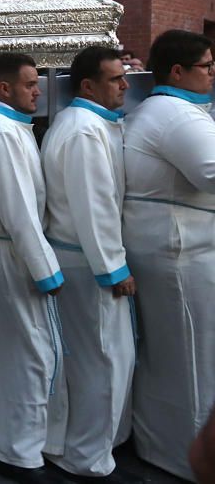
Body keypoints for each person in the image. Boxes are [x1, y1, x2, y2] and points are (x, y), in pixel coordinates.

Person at [0, 53, 65, 483]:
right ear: (4, 89)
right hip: (9, 254)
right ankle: (21, 452)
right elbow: (19, 212)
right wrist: (46, 272)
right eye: (29, 84)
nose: (38, 91)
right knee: (30, 355)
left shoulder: (1, 128)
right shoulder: (3, 135)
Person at [41, 47, 138, 483]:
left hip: (86, 260)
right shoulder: (82, 131)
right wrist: (113, 269)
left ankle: (93, 450)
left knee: (102, 360)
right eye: (116, 78)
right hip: (87, 263)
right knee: (102, 361)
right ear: (88, 85)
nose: (125, 85)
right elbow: (93, 207)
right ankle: (86, 458)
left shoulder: (90, 124)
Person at [123, 30, 215, 481]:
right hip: (180, 251)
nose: (214, 74)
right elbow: (211, 171)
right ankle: (187, 456)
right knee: (191, 356)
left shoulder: (168, 110)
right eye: (207, 66)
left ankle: (165, 445)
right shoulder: (177, 115)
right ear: (177, 71)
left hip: (170, 244)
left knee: (170, 353)